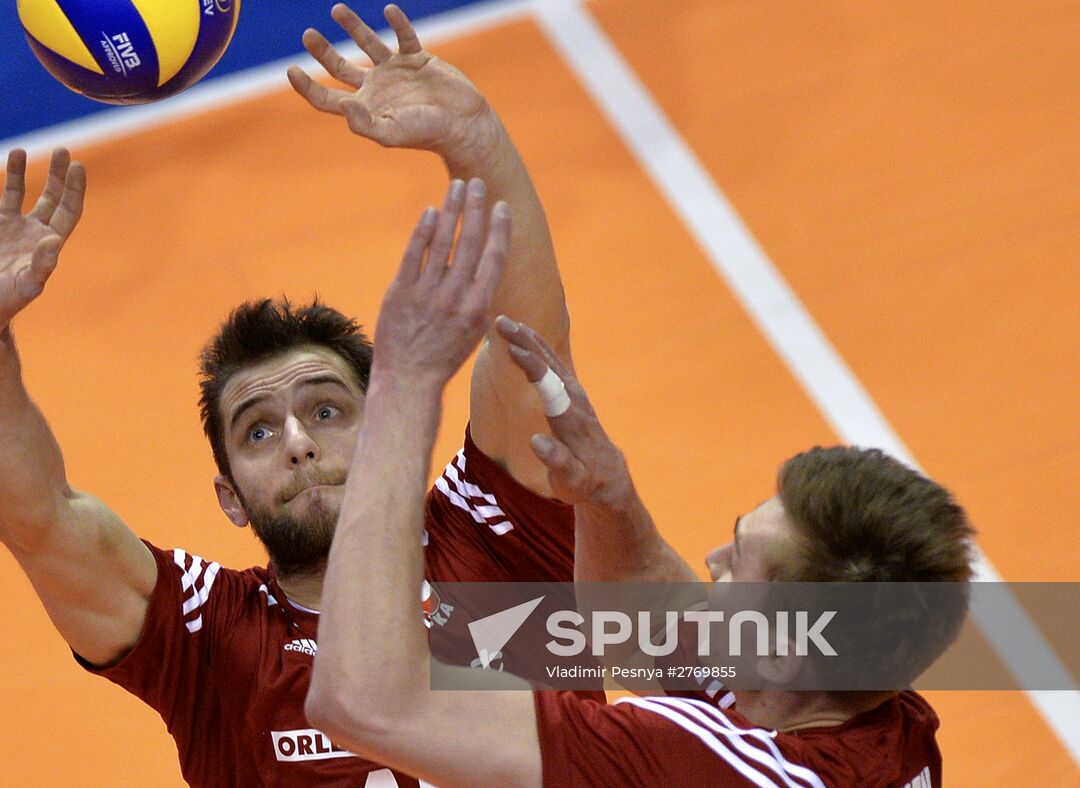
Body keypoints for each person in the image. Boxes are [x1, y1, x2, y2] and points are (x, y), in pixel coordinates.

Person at [0, 4, 589, 786]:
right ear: (230, 498)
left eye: (326, 409)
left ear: (394, 426)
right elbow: (36, 521)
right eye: (256, 433)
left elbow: (530, 348)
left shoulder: (492, 540)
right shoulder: (212, 639)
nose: (297, 442)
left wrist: (476, 141)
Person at [306, 186, 975, 786]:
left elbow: (363, 702)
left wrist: (406, 382)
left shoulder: (693, 764)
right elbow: (640, 622)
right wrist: (609, 502)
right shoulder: (888, 721)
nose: (711, 561)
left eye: (738, 564)